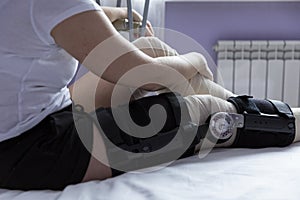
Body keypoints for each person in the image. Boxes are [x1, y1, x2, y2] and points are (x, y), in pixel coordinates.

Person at [0, 0, 299, 191]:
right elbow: (149, 77)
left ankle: (246, 111)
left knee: (152, 49)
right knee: (200, 113)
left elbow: (52, 17)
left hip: (39, 116)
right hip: (30, 150)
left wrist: (114, 15)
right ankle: (272, 118)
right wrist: (196, 59)